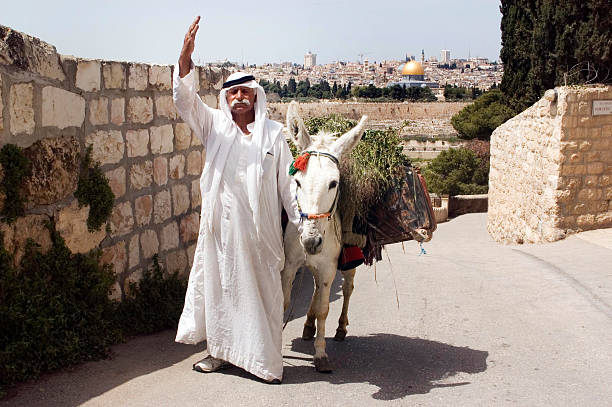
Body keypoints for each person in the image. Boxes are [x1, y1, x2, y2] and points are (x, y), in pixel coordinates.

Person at [172, 16, 301, 383]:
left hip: (260, 238)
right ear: (225, 98)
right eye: (233, 93)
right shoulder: (214, 125)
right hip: (221, 235)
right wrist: (185, 58)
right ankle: (220, 353)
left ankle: (263, 361)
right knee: (221, 291)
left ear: (256, 96)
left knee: (261, 298)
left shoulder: (274, 136)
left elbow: (288, 186)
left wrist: (304, 224)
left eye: (246, 92)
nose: (240, 97)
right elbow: (184, 100)